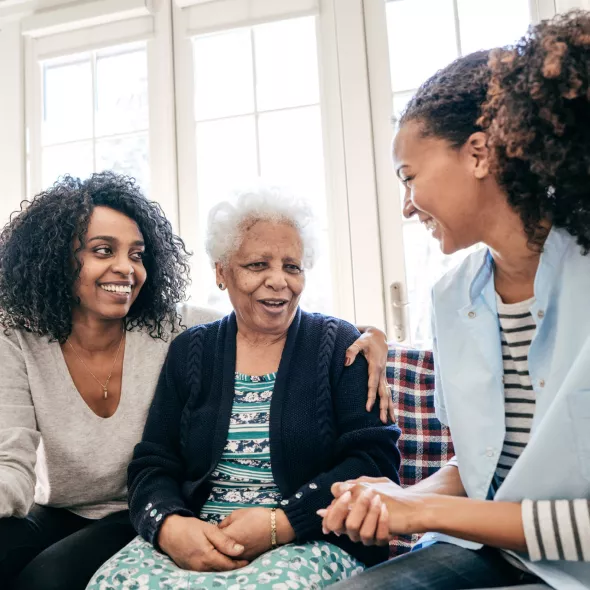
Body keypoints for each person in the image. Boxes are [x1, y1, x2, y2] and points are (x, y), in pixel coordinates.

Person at [0, 173, 391, 590]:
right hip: (151, 519)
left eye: (292, 266)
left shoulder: (173, 329)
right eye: (257, 264)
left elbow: (370, 456)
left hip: (275, 534)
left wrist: (372, 336)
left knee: (46, 581)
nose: (278, 280)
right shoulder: (190, 346)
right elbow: (145, 462)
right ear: (222, 272)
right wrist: (169, 525)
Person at [320, 10, 590, 590]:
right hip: (492, 551)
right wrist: (398, 497)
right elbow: (482, 467)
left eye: (408, 176)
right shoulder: (451, 296)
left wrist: (423, 511)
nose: (406, 204)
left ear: (477, 154)